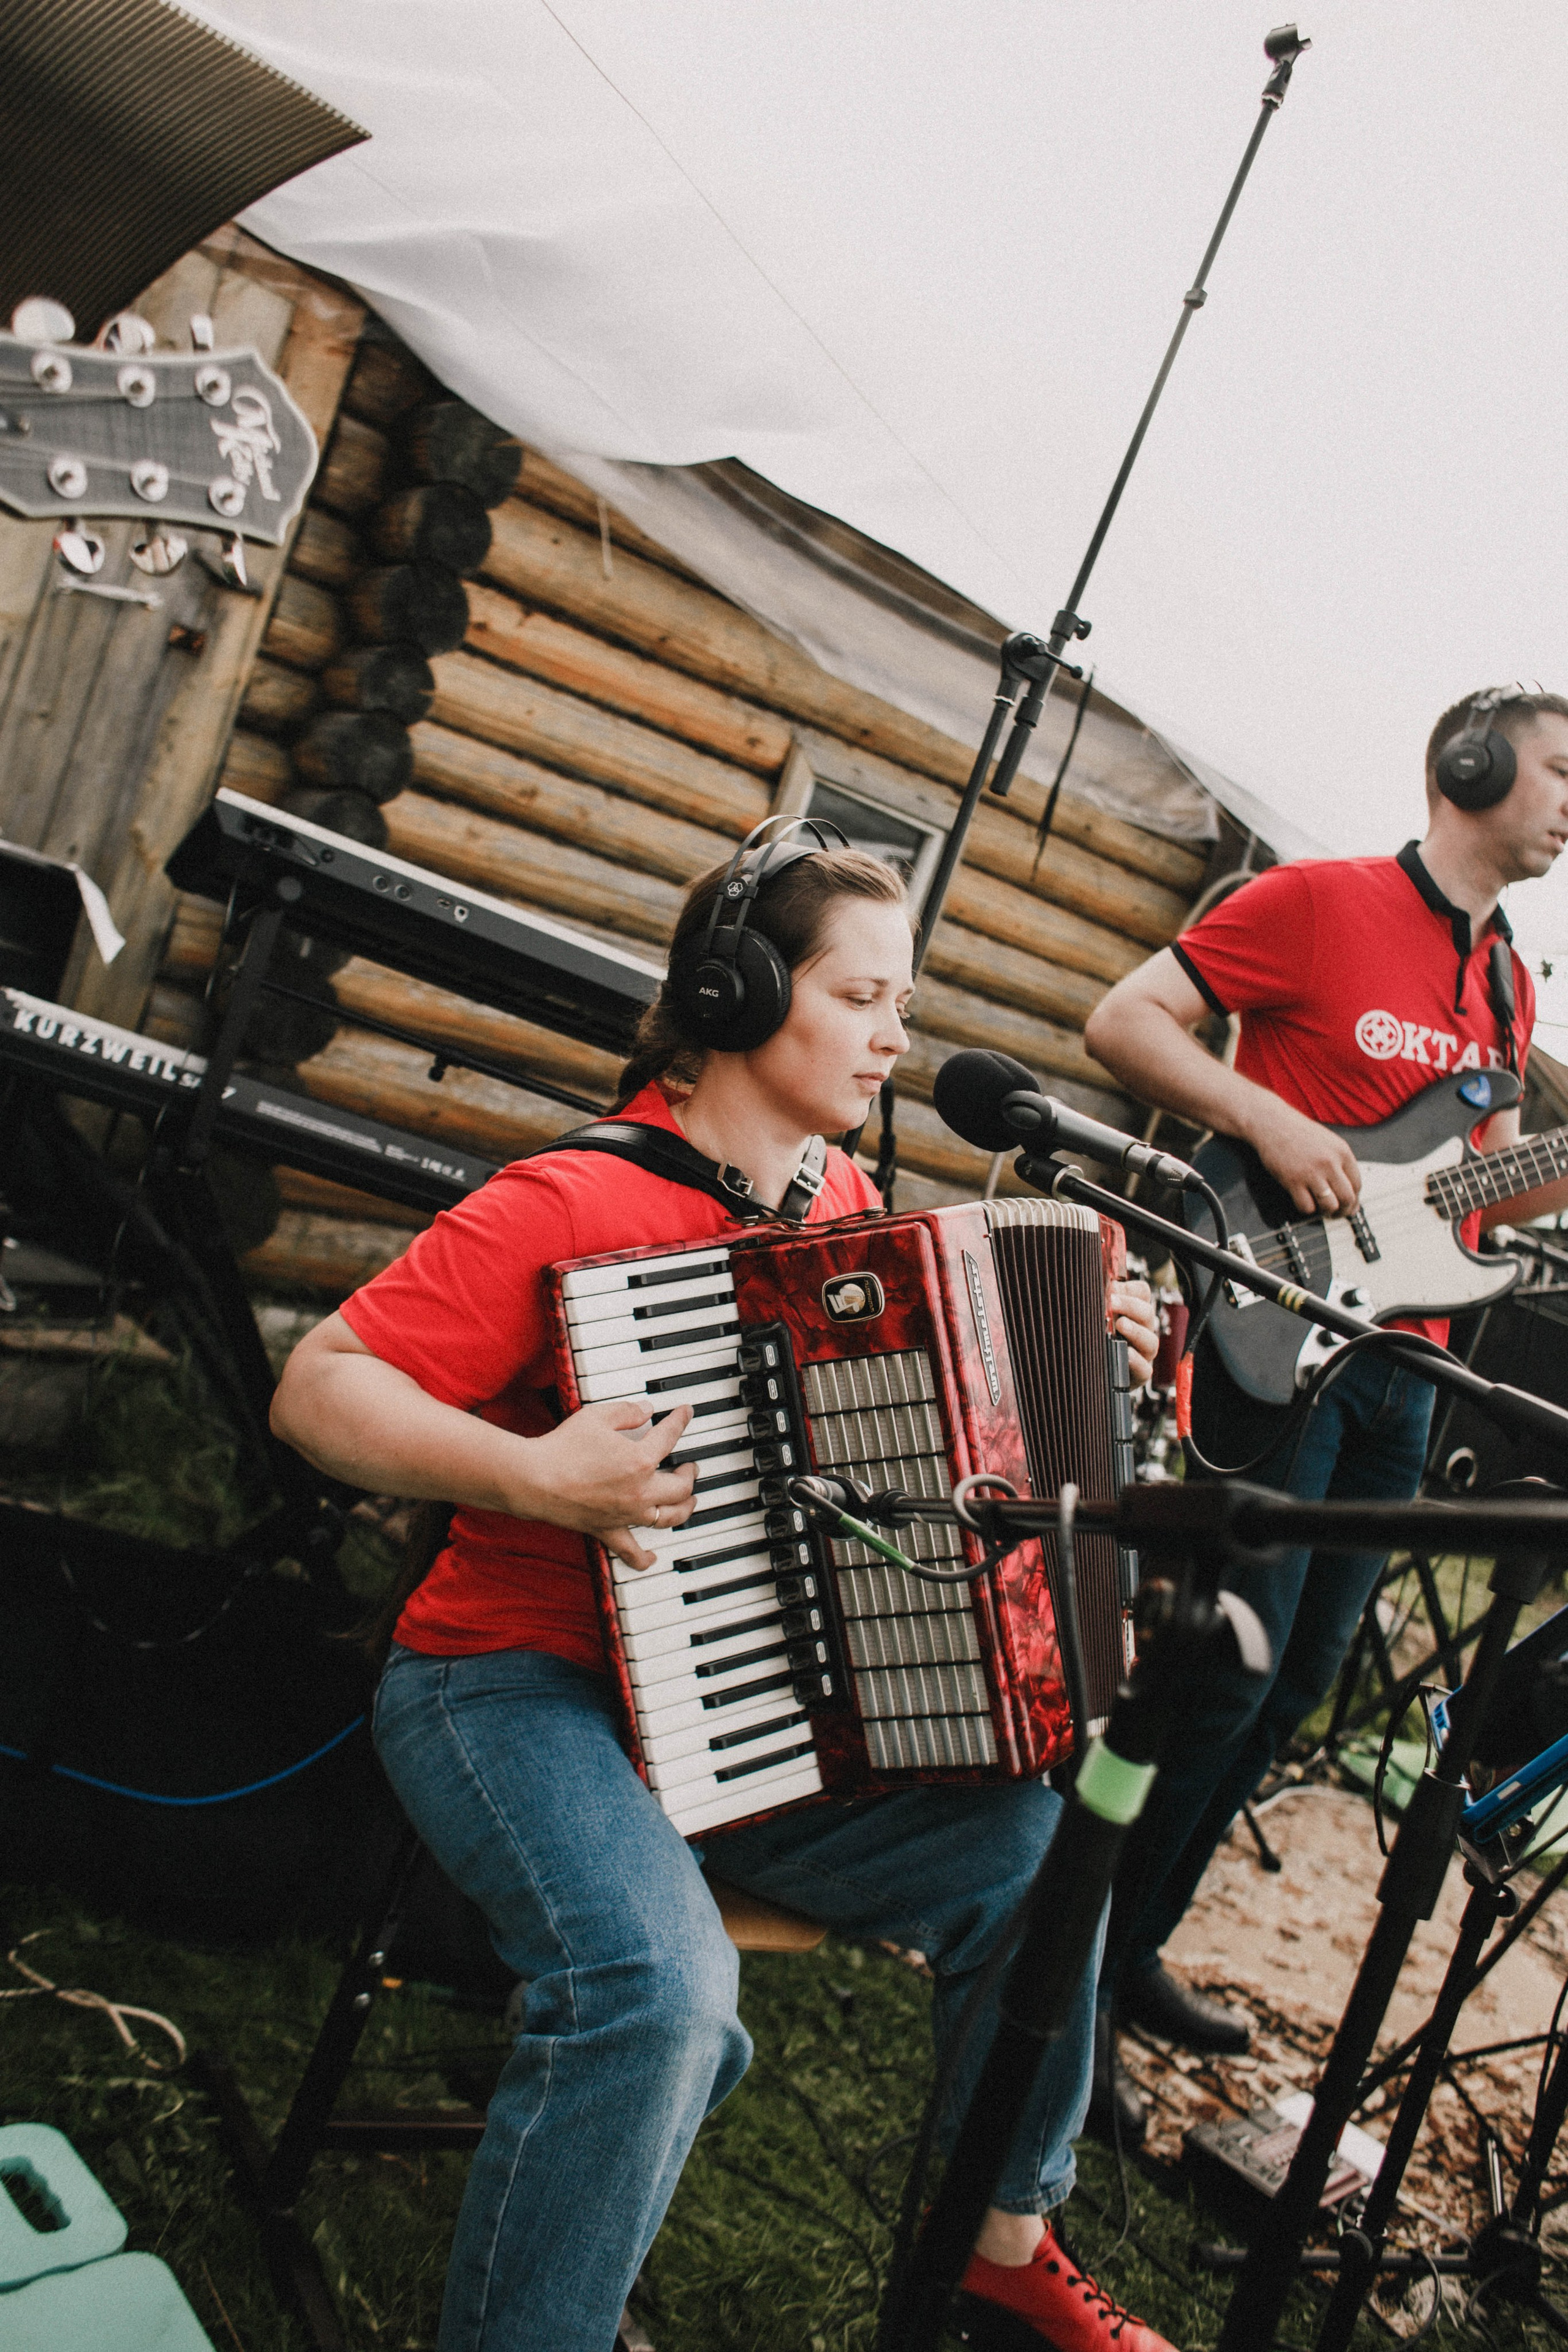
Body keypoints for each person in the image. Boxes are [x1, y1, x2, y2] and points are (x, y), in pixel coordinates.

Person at [271, 831, 1170, 2352]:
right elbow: (319, 1386)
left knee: (1043, 1835)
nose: (896, 1037)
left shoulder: (849, 1209)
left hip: (749, 1704)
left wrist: (1073, 1359)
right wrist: (535, 1474)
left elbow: (900, 1482)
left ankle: (1001, 2228)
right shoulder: (568, 1201)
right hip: (509, 1685)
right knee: (666, 1994)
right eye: (861, 996)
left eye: (904, 1000)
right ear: (737, 991)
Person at [1081, 686, 1568, 2142]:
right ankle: (1069, 1976)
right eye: (1559, 767)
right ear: (1468, 766)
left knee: (1293, 1688)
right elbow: (1124, 1019)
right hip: (1273, 1326)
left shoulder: (1509, 985)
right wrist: (1265, 1119)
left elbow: (1475, 1190)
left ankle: (1134, 1947)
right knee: (1219, 1673)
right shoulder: (1314, 902)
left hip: (1403, 1366)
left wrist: (1537, 1177)